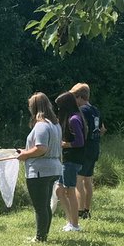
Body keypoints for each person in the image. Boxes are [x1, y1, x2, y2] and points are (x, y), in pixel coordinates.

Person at [16, 92, 63, 242]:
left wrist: (25, 155)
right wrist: (25, 151)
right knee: (45, 205)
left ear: (34, 107)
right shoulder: (54, 124)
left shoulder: (42, 125)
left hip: (40, 171)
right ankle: (43, 235)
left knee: (40, 207)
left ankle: (40, 238)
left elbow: (41, 148)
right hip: (53, 168)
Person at [70, 82, 105, 219]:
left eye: (74, 98)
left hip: (84, 150)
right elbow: (102, 129)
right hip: (94, 148)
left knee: (78, 180)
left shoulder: (82, 111)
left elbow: (81, 131)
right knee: (88, 180)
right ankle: (87, 209)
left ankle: (80, 210)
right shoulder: (95, 110)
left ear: (80, 98)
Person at [53, 91, 86, 232]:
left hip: (72, 160)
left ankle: (75, 225)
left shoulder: (74, 119)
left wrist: (65, 144)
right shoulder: (72, 117)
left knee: (70, 191)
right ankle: (69, 221)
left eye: (60, 107)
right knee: (59, 190)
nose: (59, 110)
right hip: (65, 160)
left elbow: (80, 141)